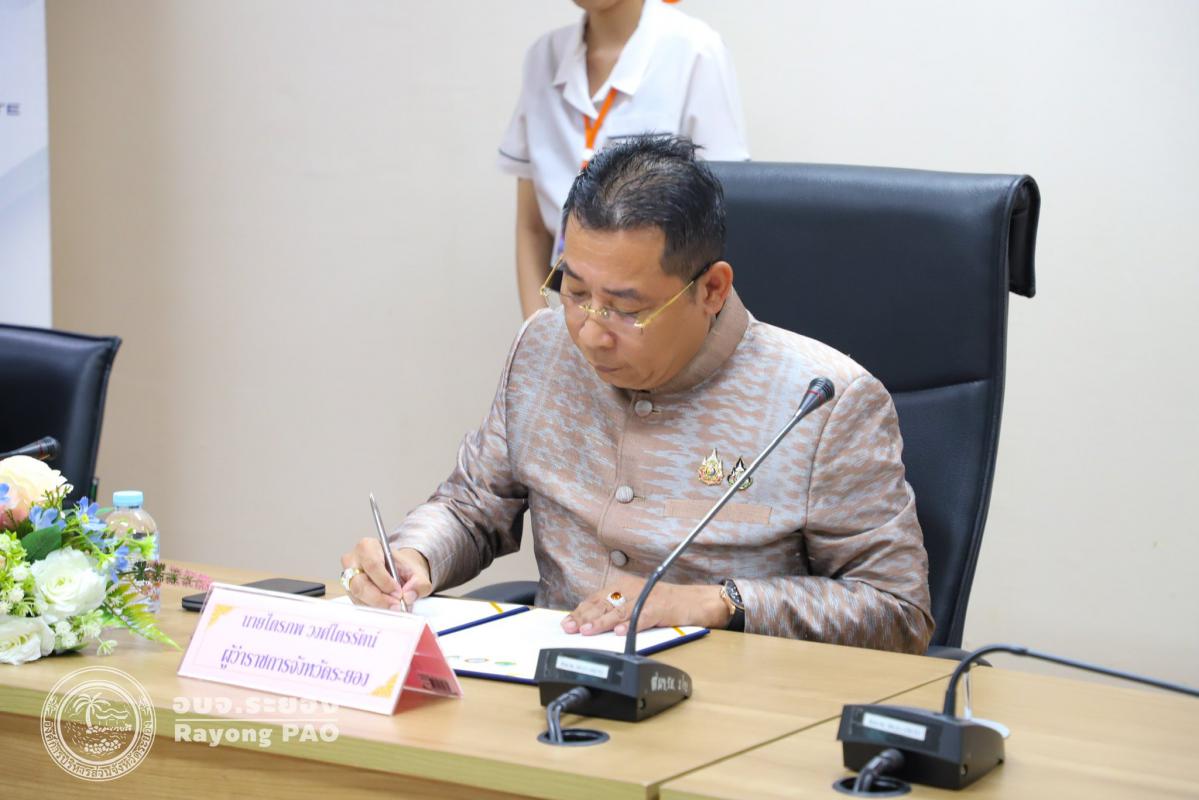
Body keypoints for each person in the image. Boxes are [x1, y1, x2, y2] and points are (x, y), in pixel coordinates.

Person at [342, 134, 934, 655]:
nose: (589, 333)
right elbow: (473, 507)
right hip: (551, 683)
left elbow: (898, 611)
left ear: (712, 289)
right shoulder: (542, 348)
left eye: (626, 309)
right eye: (575, 292)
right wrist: (413, 558)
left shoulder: (825, 401)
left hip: (732, 706)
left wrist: (719, 603)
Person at [500, 0, 749, 319]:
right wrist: (538, 330)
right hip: (568, 301)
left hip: (653, 315)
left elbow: (723, 213)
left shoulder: (695, 50)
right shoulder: (543, 56)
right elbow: (532, 227)